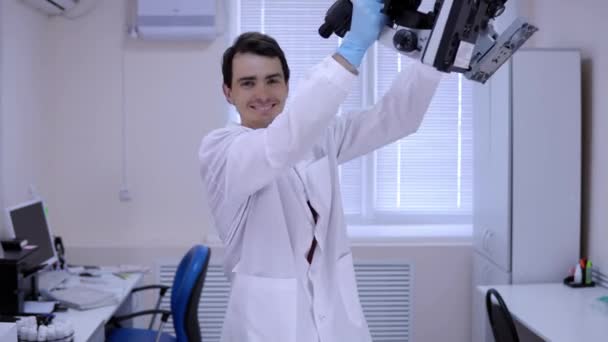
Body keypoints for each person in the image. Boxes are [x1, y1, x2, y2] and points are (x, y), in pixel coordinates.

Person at [198, 0, 441, 341]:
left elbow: (396, 118)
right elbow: (280, 147)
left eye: (273, 80)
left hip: (334, 322)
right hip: (267, 328)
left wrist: (436, 57)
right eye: (248, 83)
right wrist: (350, 51)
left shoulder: (317, 137)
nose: (263, 94)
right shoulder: (221, 150)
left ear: (287, 84)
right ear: (228, 92)